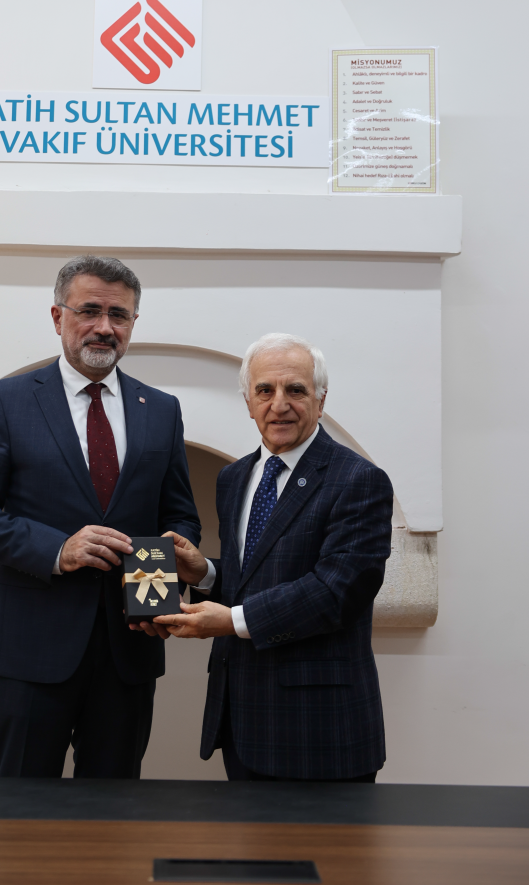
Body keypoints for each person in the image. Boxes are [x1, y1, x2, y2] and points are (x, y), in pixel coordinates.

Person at [0, 254, 200, 779]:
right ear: (58, 316)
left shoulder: (162, 409)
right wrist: (57, 550)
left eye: (119, 315)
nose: (105, 327)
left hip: (131, 648)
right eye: (90, 311)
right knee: (20, 805)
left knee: (113, 809)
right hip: (31, 650)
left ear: (133, 323)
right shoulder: (8, 401)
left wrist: (161, 584)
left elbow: (178, 515)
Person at [154, 333, 393, 782]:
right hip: (242, 721)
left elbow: (335, 592)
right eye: (264, 390)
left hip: (320, 729)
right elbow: (254, 577)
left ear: (321, 400)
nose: (279, 404)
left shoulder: (359, 480)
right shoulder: (234, 478)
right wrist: (205, 573)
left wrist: (230, 621)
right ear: (248, 402)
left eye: (295, 390)